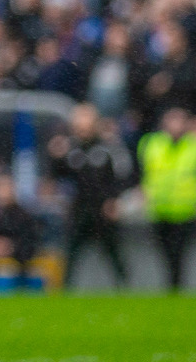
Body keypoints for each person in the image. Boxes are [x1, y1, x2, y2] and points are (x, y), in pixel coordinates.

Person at [48, 102, 133, 288]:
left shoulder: (109, 147)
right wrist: (55, 158)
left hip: (103, 210)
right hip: (79, 209)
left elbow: (122, 176)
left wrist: (115, 200)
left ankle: (124, 287)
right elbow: (58, 177)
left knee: (113, 252)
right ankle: (64, 291)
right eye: (78, 125)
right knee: (71, 254)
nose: (82, 128)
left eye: (86, 123)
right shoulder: (70, 149)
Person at [137, 108, 196, 291]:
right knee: (165, 252)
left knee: (179, 252)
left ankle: (176, 286)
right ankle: (172, 285)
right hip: (159, 208)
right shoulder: (151, 143)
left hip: (186, 209)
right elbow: (141, 172)